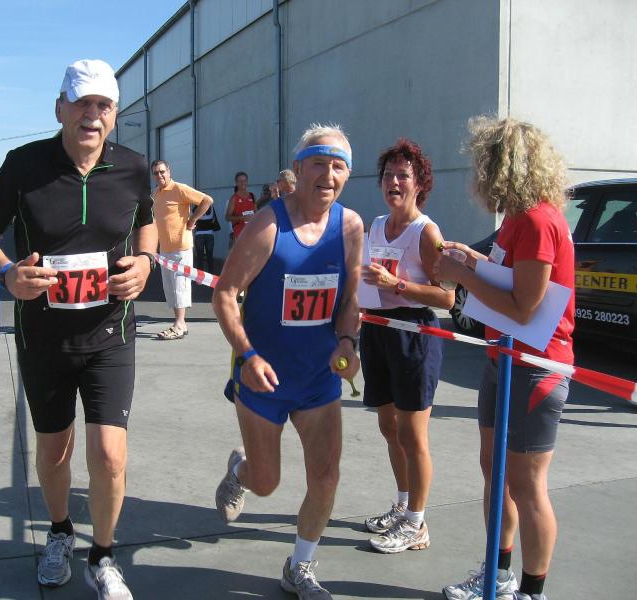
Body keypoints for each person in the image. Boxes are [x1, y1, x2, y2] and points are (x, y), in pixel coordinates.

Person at [0, 59, 157, 600]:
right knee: (53, 453)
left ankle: (103, 555)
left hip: (111, 335)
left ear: (114, 114)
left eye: (103, 105)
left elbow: (147, 225)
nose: (92, 115)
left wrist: (146, 263)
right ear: (60, 108)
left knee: (109, 455)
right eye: (82, 103)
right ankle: (59, 533)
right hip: (43, 338)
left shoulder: (133, 167)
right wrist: (8, 274)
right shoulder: (23, 165)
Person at [213, 123, 363, 599]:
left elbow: (350, 300)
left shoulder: (350, 227)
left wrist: (347, 342)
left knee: (327, 477)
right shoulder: (268, 225)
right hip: (263, 377)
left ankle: (299, 566)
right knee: (266, 482)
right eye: (318, 163)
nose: (328, 175)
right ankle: (240, 471)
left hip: (318, 377)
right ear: (298, 169)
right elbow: (224, 294)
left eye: (338, 167)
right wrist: (248, 355)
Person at [437, 117, 575, 600]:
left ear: (504, 165)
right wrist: (470, 260)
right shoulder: (518, 218)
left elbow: (524, 306)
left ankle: (532, 592)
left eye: (486, 162)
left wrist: (461, 275)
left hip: (536, 368)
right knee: (496, 474)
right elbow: (508, 278)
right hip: (505, 359)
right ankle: (498, 573)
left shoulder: (537, 220)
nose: (480, 173)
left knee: (525, 483)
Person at [359, 139, 455, 555]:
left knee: (413, 436)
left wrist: (396, 284)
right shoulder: (376, 225)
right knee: (389, 427)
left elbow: (447, 296)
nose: (394, 183)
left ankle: (417, 523)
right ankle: (403, 506)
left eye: (403, 176)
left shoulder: (426, 232)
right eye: (388, 175)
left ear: (419, 185)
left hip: (414, 333)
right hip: (376, 330)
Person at [151, 159, 213, 340]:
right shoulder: (156, 193)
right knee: (170, 288)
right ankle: (179, 323)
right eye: (156, 173)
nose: (159, 175)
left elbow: (207, 200)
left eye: (162, 171)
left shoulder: (179, 188)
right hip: (165, 249)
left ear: (169, 171)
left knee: (180, 286)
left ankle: (179, 324)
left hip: (181, 247)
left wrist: (192, 220)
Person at [225, 171, 256, 246]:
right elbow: (227, 217)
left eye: (245, 180)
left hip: (252, 233)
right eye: (240, 181)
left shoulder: (252, 196)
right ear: (236, 183)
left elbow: (256, 213)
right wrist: (241, 218)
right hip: (239, 235)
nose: (243, 183)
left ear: (247, 182)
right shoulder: (234, 198)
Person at [192, 203, 219, 275]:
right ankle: (211, 275)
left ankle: (200, 276)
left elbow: (193, 220)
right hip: (210, 234)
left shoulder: (196, 209)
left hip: (199, 234)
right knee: (210, 256)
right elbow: (214, 220)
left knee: (199, 257)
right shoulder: (211, 208)